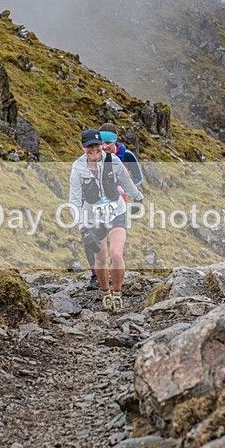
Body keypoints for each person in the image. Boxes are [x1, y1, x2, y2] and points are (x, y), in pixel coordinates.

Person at [70, 129, 144, 312]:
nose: (94, 149)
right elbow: (74, 201)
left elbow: (127, 182)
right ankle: (106, 294)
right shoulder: (78, 168)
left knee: (116, 253)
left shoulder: (113, 160)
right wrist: (83, 229)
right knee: (101, 260)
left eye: (97, 145)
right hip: (93, 218)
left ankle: (117, 295)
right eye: (89, 146)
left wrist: (139, 197)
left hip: (116, 211)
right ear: (83, 147)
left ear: (102, 145)